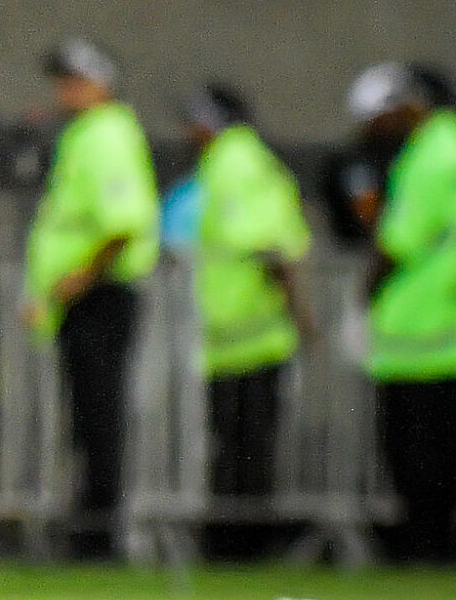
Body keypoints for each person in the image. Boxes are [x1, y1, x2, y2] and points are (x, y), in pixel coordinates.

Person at [349, 63, 456, 563]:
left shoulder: (432, 155)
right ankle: (436, 541)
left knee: (415, 446)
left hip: (419, 327)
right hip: (445, 325)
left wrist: (364, 294)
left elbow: (400, 238)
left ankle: (425, 544)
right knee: (440, 443)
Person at [24, 37, 159, 559]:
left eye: (76, 80)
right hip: (86, 297)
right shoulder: (87, 133)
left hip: (101, 295)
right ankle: (91, 526)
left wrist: (79, 279)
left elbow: (124, 223)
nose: (66, 90)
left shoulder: (106, 133)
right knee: (88, 416)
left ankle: (100, 533)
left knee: (99, 417)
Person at [184, 84, 311, 560]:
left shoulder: (233, 161)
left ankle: (238, 544)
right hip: (245, 334)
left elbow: (264, 245)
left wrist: (300, 313)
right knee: (246, 444)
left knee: (241, 446)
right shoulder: (250, 160)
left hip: (249, 332)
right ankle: (239, 540)